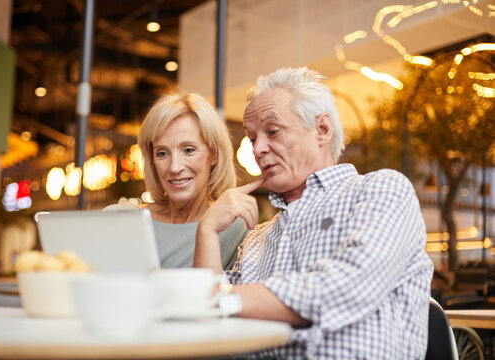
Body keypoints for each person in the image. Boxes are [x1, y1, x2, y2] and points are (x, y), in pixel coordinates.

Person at [194, 67, 434, 359]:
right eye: (252, 138)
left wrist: (221, 300)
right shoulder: (258, 237)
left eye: (272, 131)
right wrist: (207, 230)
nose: (258, 149)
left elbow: (348, 286)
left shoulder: (380, 191)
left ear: (322, 129)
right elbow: (208, 326)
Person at [106, 92, 247, 269]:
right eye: (162, 153)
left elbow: (222, 295)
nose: (174, 167)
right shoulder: (119, 218)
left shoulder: (233, 230)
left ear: (215, 154)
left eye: (188, 150)